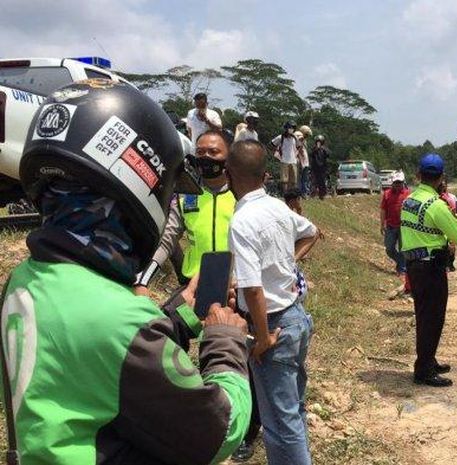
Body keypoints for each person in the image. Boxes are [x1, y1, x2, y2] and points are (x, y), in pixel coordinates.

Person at [2, 81, 251, 464]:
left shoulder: (25, 281)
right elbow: (218, 431)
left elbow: (97, 352)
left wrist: (182, 312)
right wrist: (225, 341)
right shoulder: (120, 323)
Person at [226, 140, 320, 465]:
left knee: (280, 424)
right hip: (296, 318)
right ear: (265, 175)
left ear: (228, 175)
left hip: (274, 326)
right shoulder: (279, 208)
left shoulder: (242, 222)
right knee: (293, 410)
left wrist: (263, 338)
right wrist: (289, 263)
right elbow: (311, 232)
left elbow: (253, 290)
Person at [134, 129, 236, 292]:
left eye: (213, 152)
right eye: (200, 152)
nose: (205, 157)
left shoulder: (241, 196)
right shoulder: (185, 196)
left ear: (229, 158)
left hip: (236, 287)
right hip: (194, 287)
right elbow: (167, 241)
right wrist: (142, 281)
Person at [400, 153, 457, 388]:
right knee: (433, 319)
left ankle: (427, 360)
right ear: (441, 177)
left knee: (424, 316)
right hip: (430, 269)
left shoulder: (409, 200)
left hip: (414, 266)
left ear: (419, 175)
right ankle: (423, 372)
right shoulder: (436, 206)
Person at [380, 171, 410, 279]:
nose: (397, 185)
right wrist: (381, 224)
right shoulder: (387, 194)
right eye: (395, 182)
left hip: (404, 226)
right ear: (392, 183)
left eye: (399, 182)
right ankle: (402, 263)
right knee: (389, 249)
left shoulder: (408, 194)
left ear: (403, 182)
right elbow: (383, 209)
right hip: (390, 226)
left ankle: (402, 269)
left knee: (403, 249)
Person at [270, 121, 302, 192]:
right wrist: (276, 154)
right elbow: (272, 144)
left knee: (293, 180)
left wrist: (296, 154)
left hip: (293, 161)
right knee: (284, 181)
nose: (291, 129)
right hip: (284, 161)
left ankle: (292, 194)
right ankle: (286, 194)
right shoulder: (280, 137)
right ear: (286, 128)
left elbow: (299, 146)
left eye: (292, 128)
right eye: (290, 128)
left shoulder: (295, 137)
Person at [310, 135, 330, 200]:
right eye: (317, 141)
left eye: (320, 141)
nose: (318, 143)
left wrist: (322, 148)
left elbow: (327, 155)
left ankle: (322, 195)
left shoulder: (324, 149)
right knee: (315, 182)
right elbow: (312, 155)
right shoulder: (314, 149)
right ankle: (313, 194)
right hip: (315, 168)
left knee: (322, 182)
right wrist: (316, 149)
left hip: (322, 168)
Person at [296, 125, 313, 197]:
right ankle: (301, 193)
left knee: (304, 178)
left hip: (305, 162)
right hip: (301, 161)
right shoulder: (299, 137)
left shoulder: (304, 140)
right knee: (301, 178)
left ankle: (304, 192)